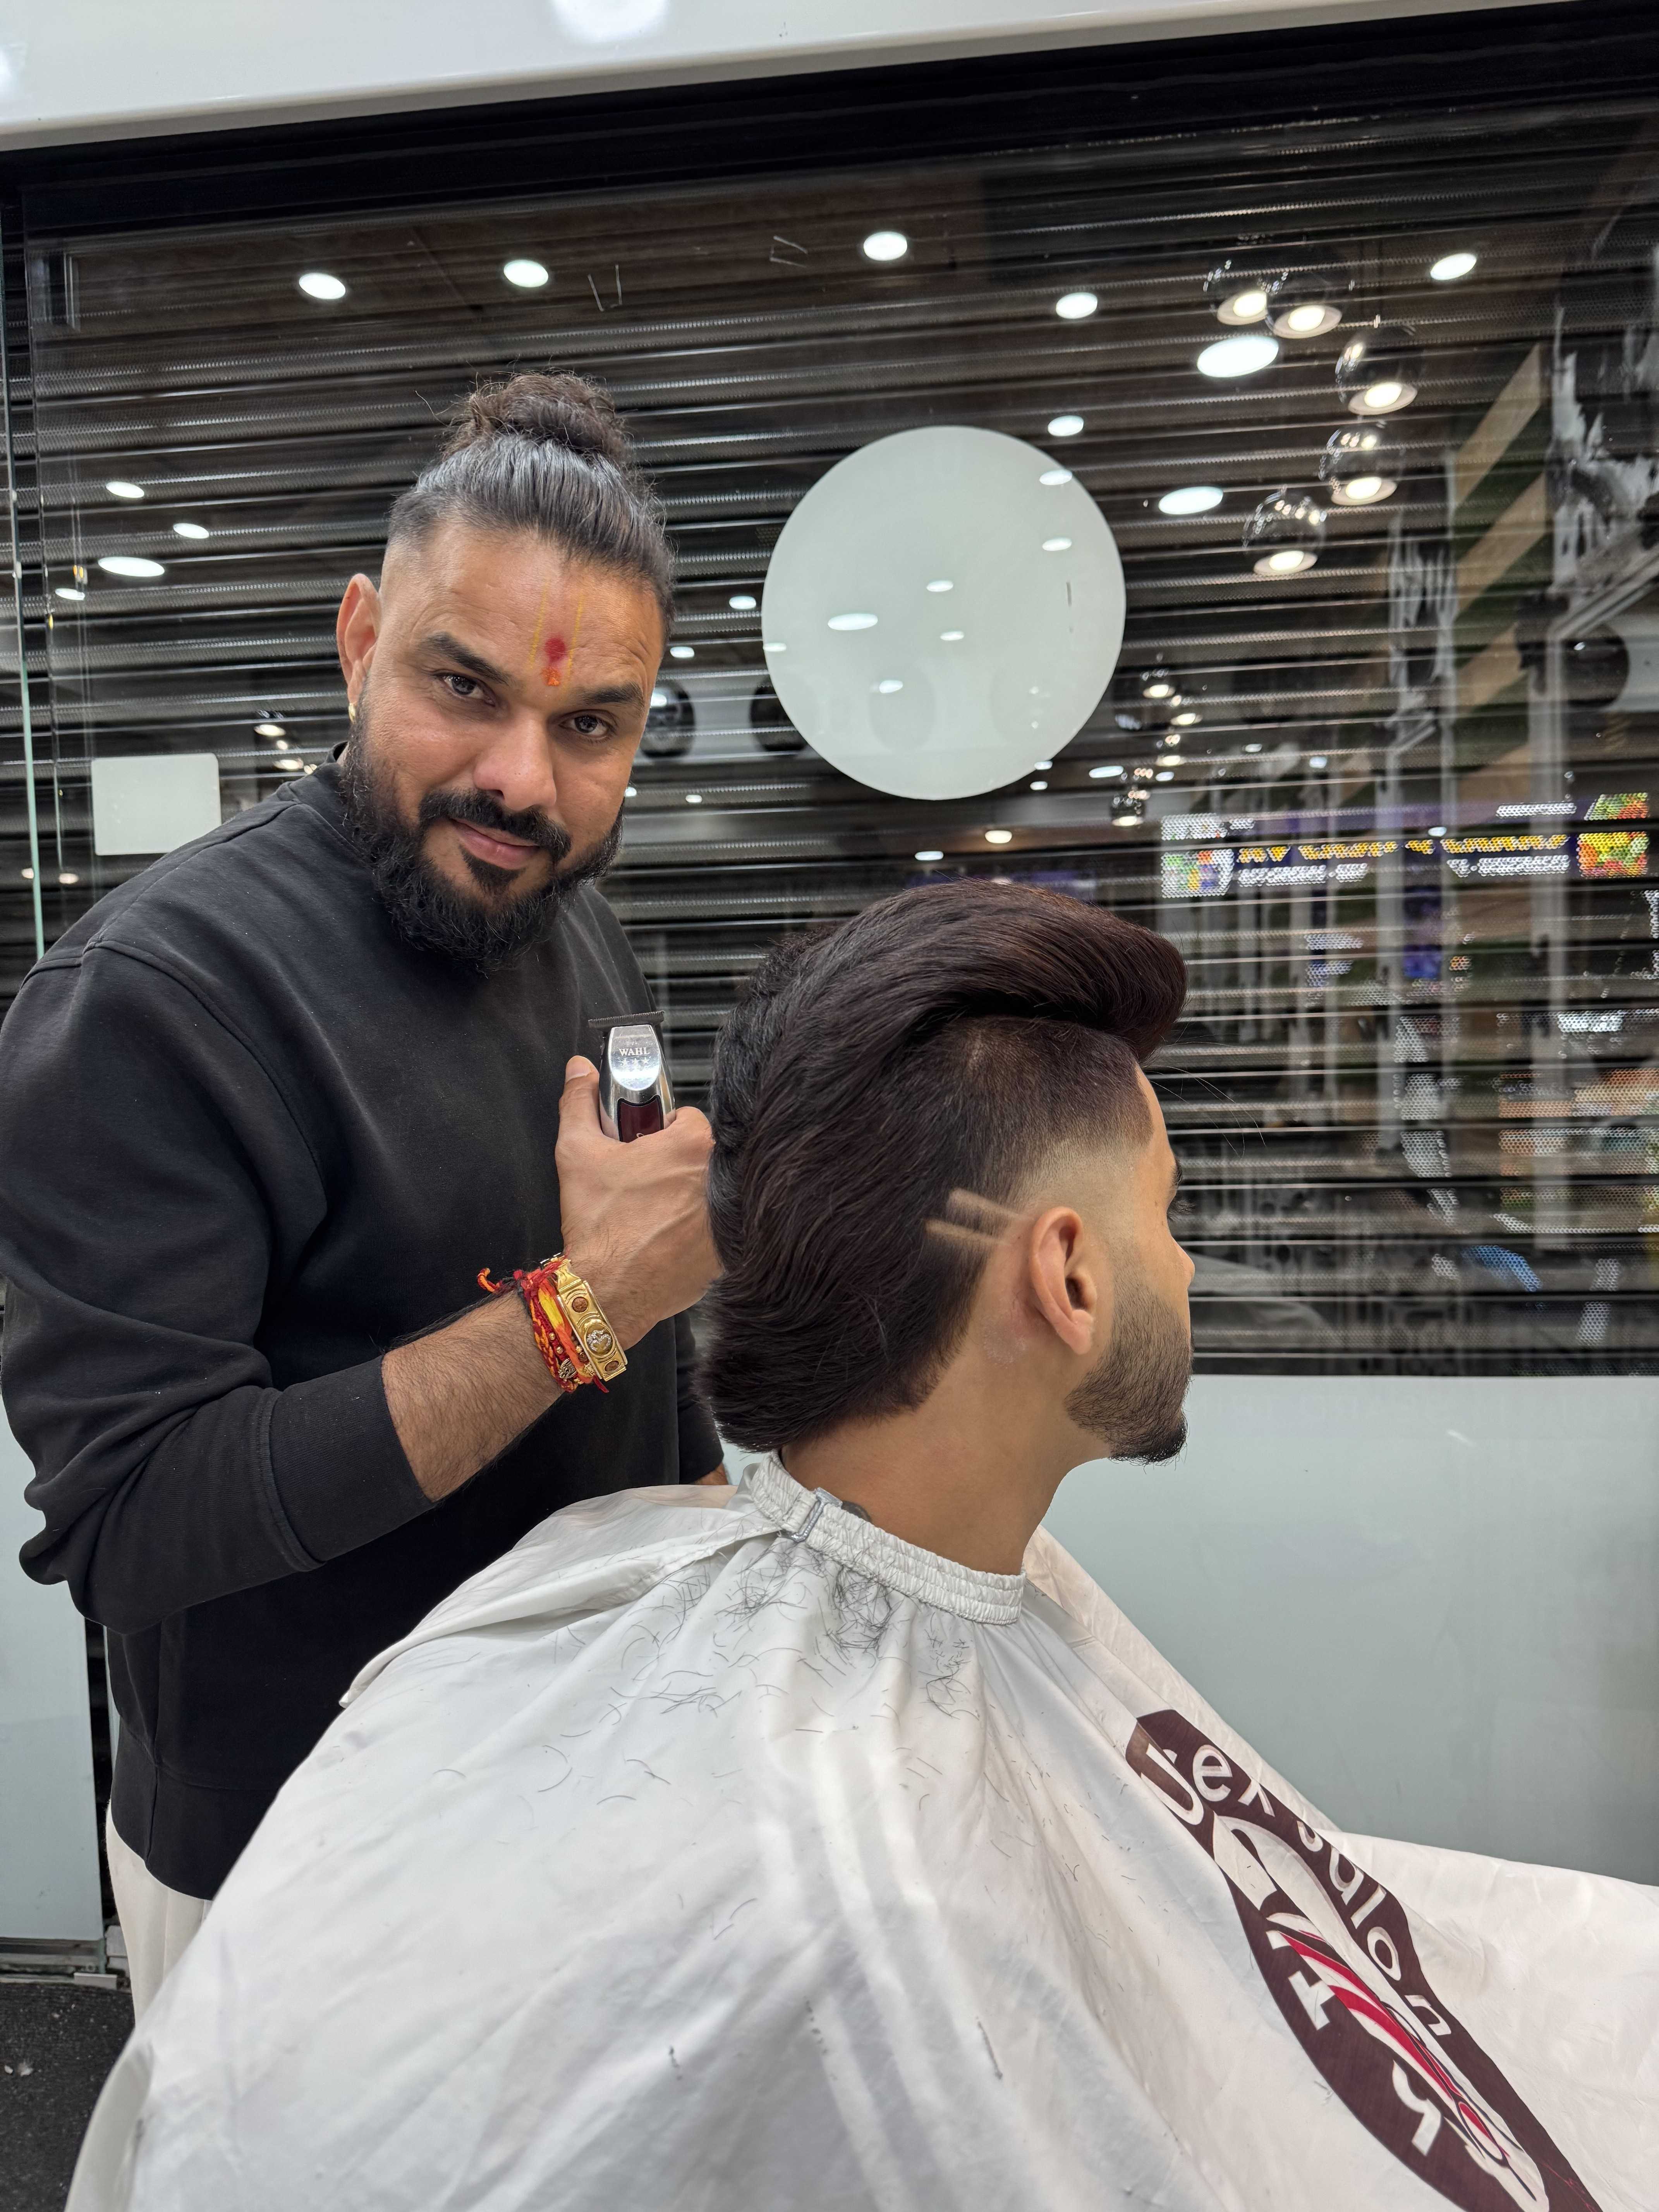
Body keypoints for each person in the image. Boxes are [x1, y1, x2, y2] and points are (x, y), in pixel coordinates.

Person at [69, 883, 1654, 2212]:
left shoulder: (634, 1571)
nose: (1187, 1265)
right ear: (1067, 1282)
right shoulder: (874, 1919)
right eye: (1167, 1213)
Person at [0, 371, 723, 2019]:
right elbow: (135, 1524)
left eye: (591, 725)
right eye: (463, 687)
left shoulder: (567, 919)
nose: (522, 781)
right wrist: (576, 1313)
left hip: (570, 1791)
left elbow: (645, 1322)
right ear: (357, 639)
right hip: (292, 1854)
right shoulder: (156, 998)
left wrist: (716, 1548)